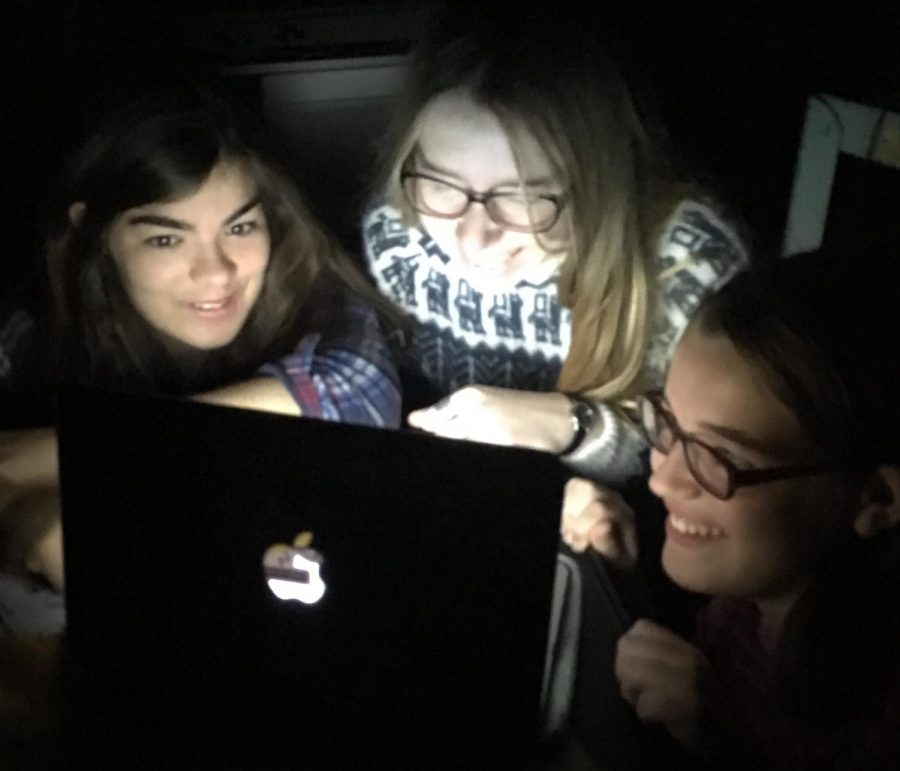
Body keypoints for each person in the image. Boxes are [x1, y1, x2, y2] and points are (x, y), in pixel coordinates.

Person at [0, 86, 401, 605]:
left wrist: (45, 461)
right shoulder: (32, 333)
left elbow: (357, 399)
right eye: (166, 239)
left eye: (240, 227)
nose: (216, 271)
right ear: (93, 235)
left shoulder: (317, 298)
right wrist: (30, 520)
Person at [362, 3, 748, 485]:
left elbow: (696, 465)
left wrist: (570, 427)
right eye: (442, 184)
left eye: (524, 198)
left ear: (598, 184)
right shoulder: (398, 230)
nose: (473, 238)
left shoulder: (687, 263)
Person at [562, 248, 900, 769]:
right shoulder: (751, 601)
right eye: (669, 424)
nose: (661, 476)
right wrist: (616, 585)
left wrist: (719, 736)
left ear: (876, 500)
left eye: (721, 457)